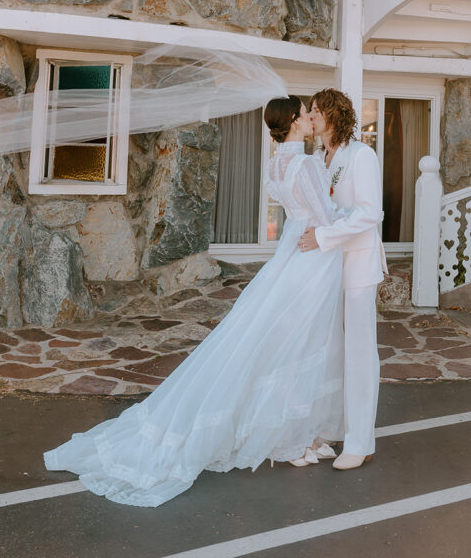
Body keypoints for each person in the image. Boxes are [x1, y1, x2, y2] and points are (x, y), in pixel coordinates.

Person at [44, 98, 345, 507]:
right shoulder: (307, 164)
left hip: (289, 255)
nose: (312, 121)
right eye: (305, 115)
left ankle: (292, 435)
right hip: (313, 258)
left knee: (271, 343)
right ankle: (291, 438)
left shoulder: (276, 163)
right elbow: (326, 219)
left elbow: (298, 210)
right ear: (293, 121)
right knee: (301, 343)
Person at [298, 89, 387, 471]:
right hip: (328, 267)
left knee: (360, 354)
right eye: (312, 111)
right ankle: (329, 430)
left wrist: (322, 236)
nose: (312, 116)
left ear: (334, 116)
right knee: (331, 352)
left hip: (358, 264)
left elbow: (370, 213)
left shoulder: (362, 156)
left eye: (317, 110)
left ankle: (360, 441)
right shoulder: (319, 158)